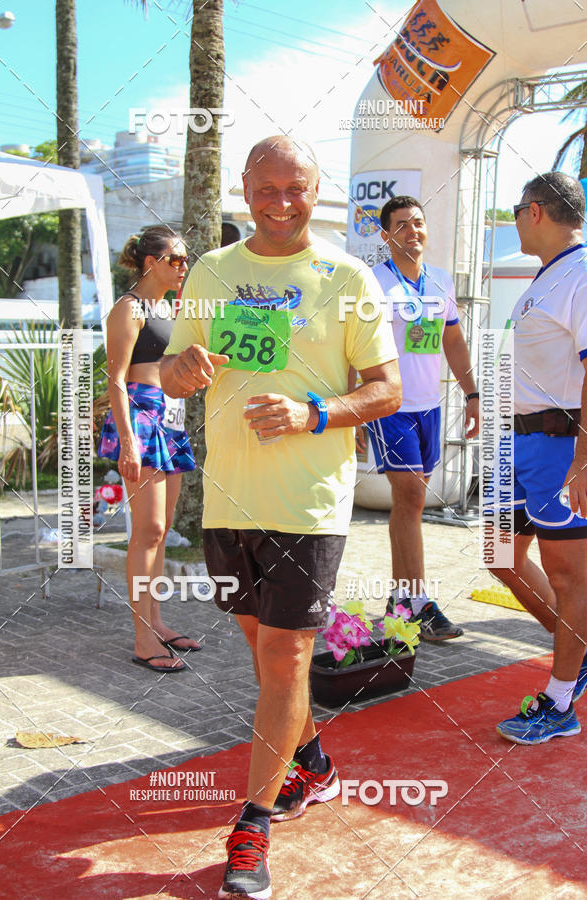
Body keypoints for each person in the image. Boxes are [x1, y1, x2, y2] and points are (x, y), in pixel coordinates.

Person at [160, 135, 401, 900]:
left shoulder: (346, 275)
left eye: (295, 188)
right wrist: (181, 370)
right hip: (229, 499)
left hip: (308, 502)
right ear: (244, 189)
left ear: (315, 188)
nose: (281, 202)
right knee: (264, 653)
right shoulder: (212, 270)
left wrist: (312, 411)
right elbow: (170, 372)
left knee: (286, 663)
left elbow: (386, 388)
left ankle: (252, 825)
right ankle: (317, 764)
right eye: (267, 188)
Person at [489, 172, 587, 744]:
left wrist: (582, 457)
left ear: (536, 212)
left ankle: (558, 701)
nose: (515, 221)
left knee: (570, 576)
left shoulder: (579, 273)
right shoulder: (547, 277)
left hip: (560, 447)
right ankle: (577, 654)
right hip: (521, 442)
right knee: (499, 553)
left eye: (518, 211)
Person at [362, 196, 479, 640]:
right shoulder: (373, 282)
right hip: (391, 406)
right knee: (410, 495)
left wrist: (472, 393)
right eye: (403, 225)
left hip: (431, 406)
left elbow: (454, 343)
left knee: (411, 502)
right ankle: (419, 603)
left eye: (419, 222)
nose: (413, 230)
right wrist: (356, 410)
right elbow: (356, 349)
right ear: (386, 235)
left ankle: (400, 599)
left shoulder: (441, 281)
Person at [98, 225, 201, 673]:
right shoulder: (128, 308)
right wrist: (126, 442)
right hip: (141, 414)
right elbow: (116, 379)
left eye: (185, 260)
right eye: (175, 259)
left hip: (171, 415)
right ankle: (142, 638)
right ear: (150, 262)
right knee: (149, 528)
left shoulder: (169, 308)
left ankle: (157, 622)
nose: (183, 267)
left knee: (161, 531)